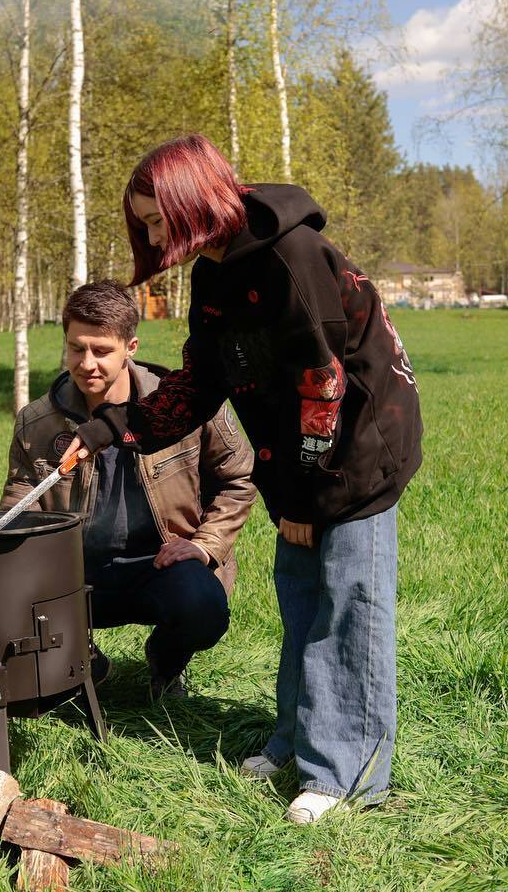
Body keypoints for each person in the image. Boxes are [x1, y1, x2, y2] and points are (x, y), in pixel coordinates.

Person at [65, 134, 422, 824]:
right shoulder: (215, 272)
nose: (150, 233)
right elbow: (201, 378)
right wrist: (109, 431)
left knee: (348, 614)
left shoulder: (293, 259)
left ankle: (348, 775)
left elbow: (324, 389)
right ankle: (297, 742)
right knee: (302, 605)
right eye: (142, 223)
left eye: (154, 217)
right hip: (298, 461)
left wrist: (310, 500)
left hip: (356, 454)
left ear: (190, 200)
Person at [0, 279, 256, 700]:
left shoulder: (185, 403)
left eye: (101, 350)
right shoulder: (37, 422)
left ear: (130, 347)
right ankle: (88, 666)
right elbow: (19, 505)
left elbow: (239, 476)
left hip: (162, 563)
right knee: (5, 592)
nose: (86, 363)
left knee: (202, 608)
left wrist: (206, 545)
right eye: (76, 348)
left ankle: (165, 662)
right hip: (75, 573)